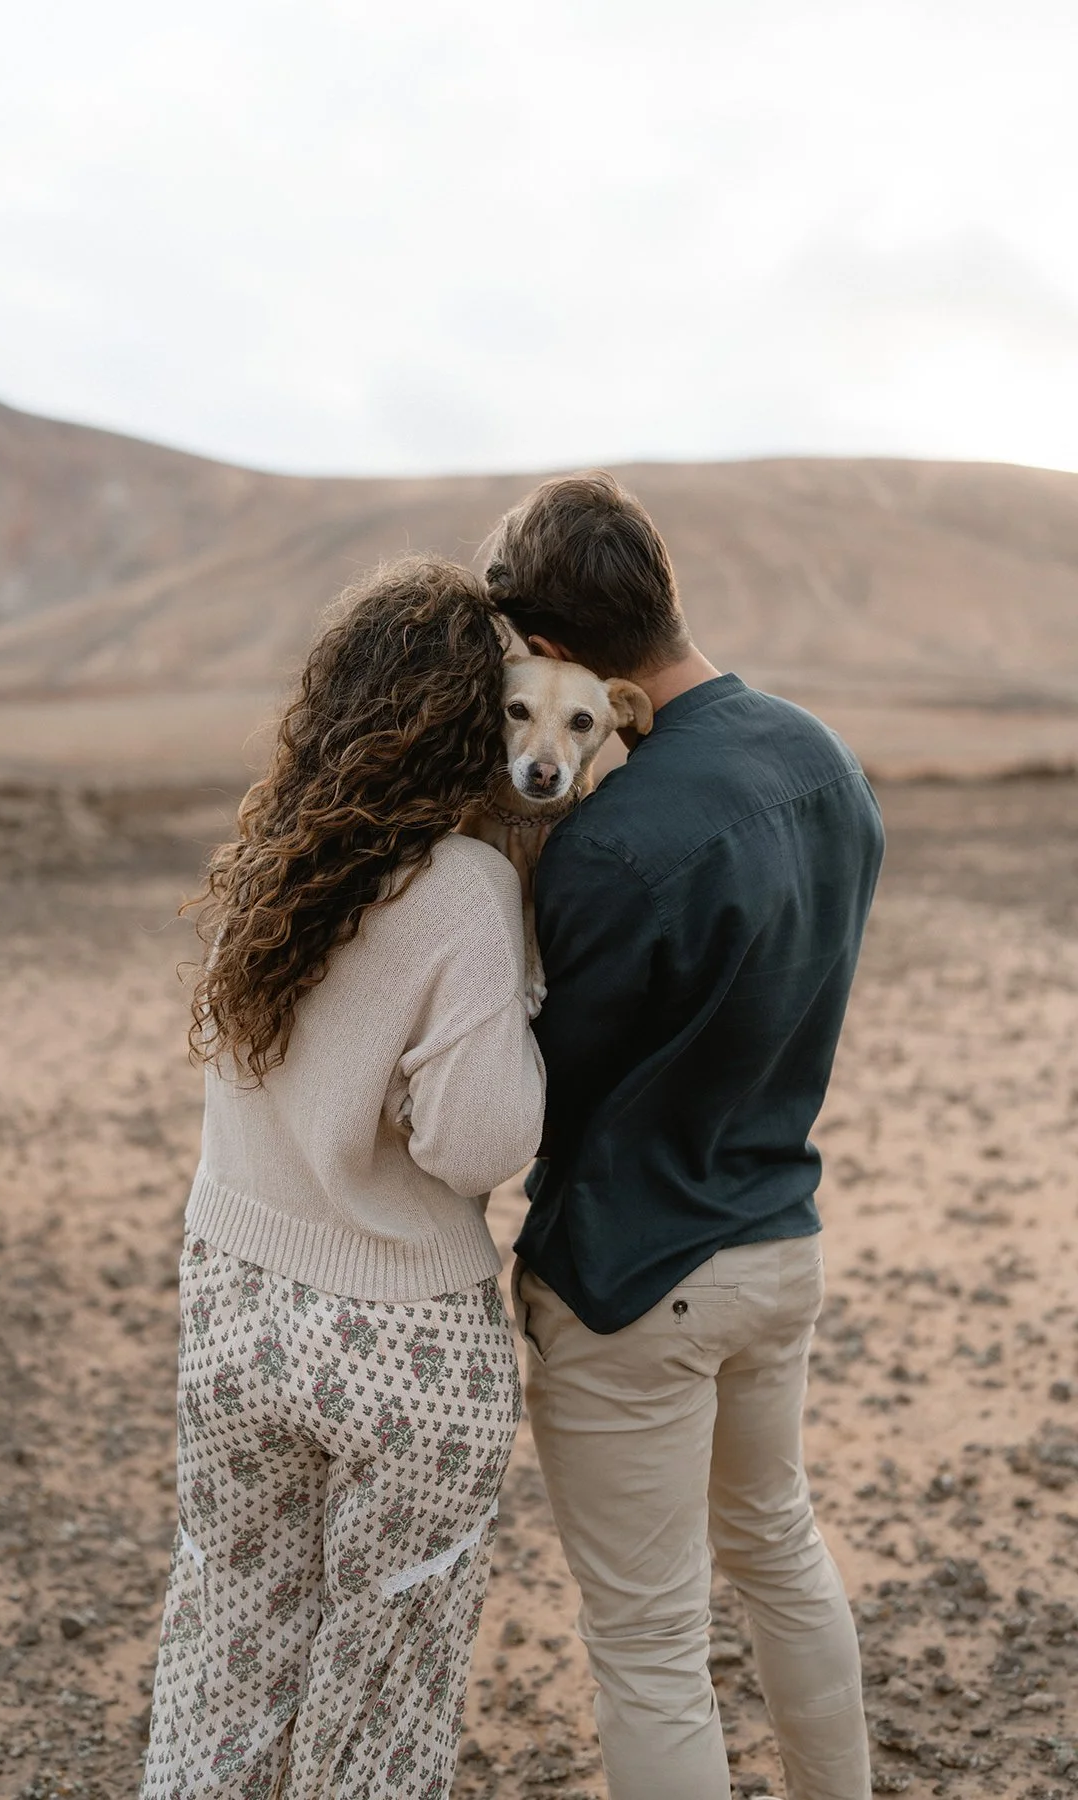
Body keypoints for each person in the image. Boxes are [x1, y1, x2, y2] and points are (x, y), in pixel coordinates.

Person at [484, 473, 883, 1800]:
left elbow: (537, 1096)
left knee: (650, 1644)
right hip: (779, 1244)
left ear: (549, 651)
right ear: (659, 583)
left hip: (630, 1283)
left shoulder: (609, 843)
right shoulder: (828, 761)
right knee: (779, 1543)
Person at [140, 557, 545, 1799]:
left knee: (224, 1648)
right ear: (468, 724)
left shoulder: (271, 852)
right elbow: (481, 1145)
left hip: (236, 1312)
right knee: (376, 1702)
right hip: (403, 1342)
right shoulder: (467, 887)